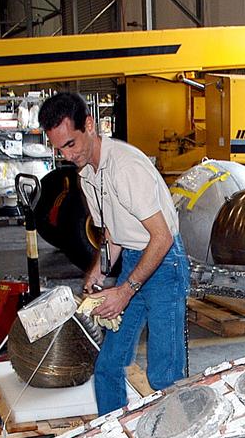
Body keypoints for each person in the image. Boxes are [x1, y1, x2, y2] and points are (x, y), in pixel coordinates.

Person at [40, 92, 190, 415]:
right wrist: (99, 270)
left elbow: (161, 238)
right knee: (107, 368)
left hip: (164, 263)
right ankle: (115, 437)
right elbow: (112, 234)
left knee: (164, 375)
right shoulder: (88, 176)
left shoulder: (125, 168)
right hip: (136, 260)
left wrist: (125, 290)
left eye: (71, 144)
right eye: (59, 149)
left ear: (90, 126)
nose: (67, 155)